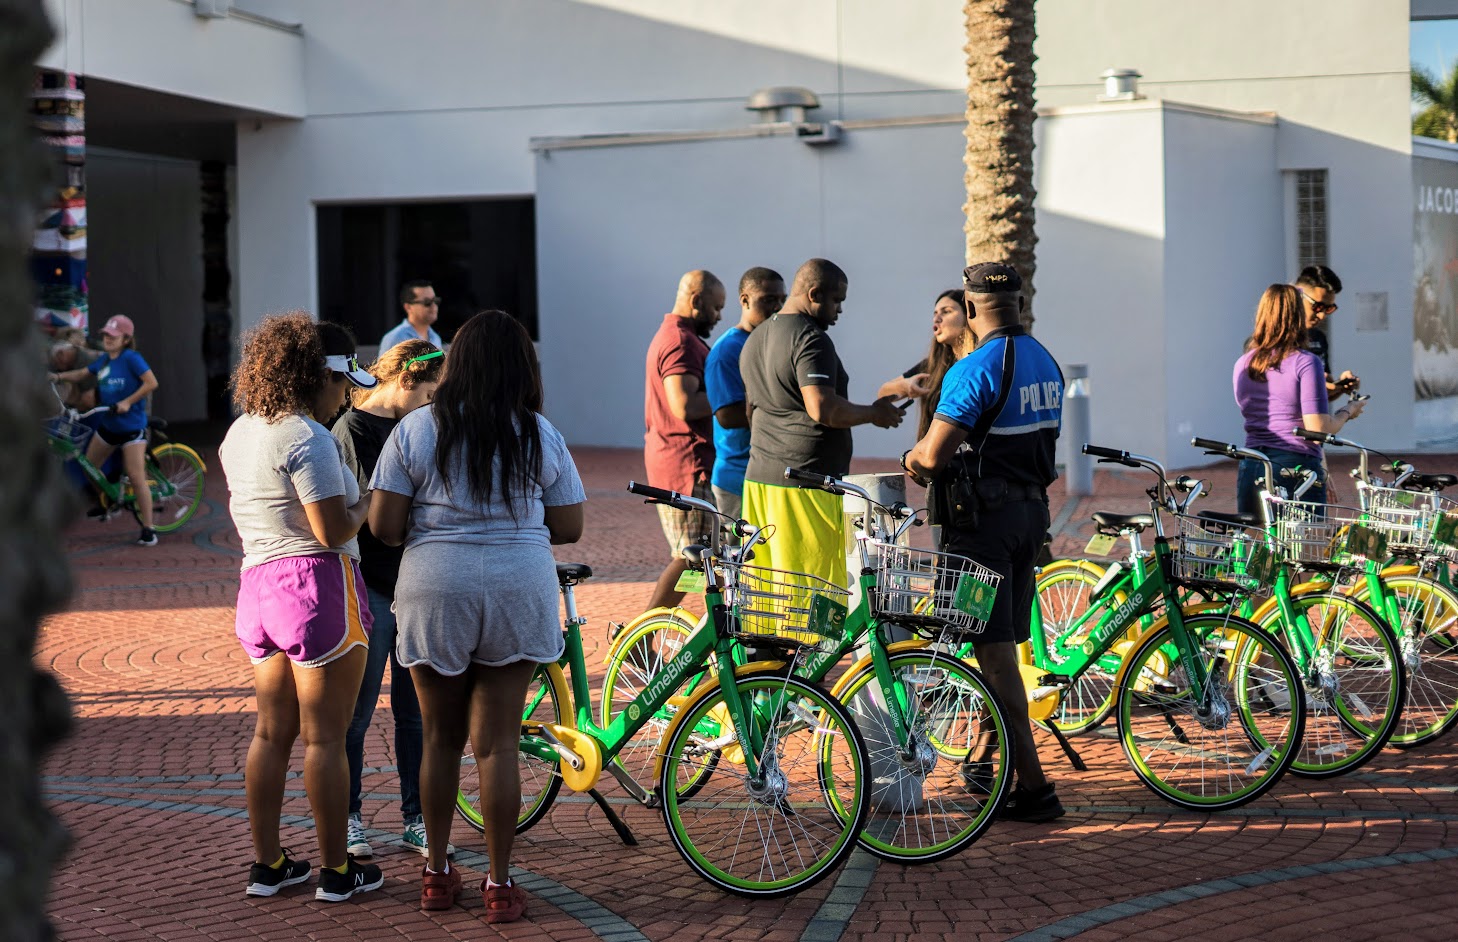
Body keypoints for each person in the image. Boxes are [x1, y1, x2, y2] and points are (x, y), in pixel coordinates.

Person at [368, 310, 585, 923]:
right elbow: (568, 525)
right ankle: (499, 882)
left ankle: (436, 874)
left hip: (435, 585)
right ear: (524, 368)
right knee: (499, 747)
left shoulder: (415, 429)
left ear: (456, 362)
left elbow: (383, 527)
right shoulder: (538, 432)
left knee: (439, 738)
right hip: (519, 585)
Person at [218, 313, 384, 902]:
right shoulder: (306, 435)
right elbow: (332, 527)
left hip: (257, 586)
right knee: (325, 739)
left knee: (270, 732)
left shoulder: (239, 431)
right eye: (344, 383)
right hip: (315, 585)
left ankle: (269, 864)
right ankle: (338, 872)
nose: (346, 396)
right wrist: (371, 497)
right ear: (321, 375)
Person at [903, 262, 1066, 823]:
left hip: (983, 533)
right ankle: (987, 761)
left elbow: (931, 457)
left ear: (970, 309)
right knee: (997, 651)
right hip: (1030, 518)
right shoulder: (1047, 361)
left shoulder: (974, 369)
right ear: (1020, 303)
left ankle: (1035, 789)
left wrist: (911, 457)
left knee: (992, 659)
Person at [330, 339, 447, 862]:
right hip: (372, 584)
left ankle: (415, 818)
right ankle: (351, 817)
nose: (432, 406)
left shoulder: (416, 424)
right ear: (403, 380)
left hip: (414, 584)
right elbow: (375, 516)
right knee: (355, 711)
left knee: (415, 712)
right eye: (428, 394)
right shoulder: (355, 429)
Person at [739, 258, 904, 588]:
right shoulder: (809, 338)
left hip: (760, 480)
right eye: (836, 300)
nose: (839, 310)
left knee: (771, 596)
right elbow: (823, 408)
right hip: (806, 484)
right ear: (814, 293)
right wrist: (875, 413)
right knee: (816, 594)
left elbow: (750, 412)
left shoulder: (757, 336)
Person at [1234, 284, 1365, 514]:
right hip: (1295, 467)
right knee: (1302, 548)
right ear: (1297, 316)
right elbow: (1318, 430)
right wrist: (1348, 411)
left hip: (1252, 463)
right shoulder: (1305, 362)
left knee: (1258, 545)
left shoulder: (1244, 363)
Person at [642, 270, 724, 611]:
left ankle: (725, 640)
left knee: (709, 561)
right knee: (692, 555)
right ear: (695, 301)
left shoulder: (678, 336)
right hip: (687, 465)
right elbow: (685, 405)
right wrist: (733, 397)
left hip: (681, 462)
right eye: (716, 308)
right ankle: (637, 637)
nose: (719, 316)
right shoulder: (680, 341)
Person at [48, 315, 161, 545]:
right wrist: (58, 376)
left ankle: (149, 528)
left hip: (131, 427)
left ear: (126, 339)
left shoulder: (132, 359)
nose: (107, 339)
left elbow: (151, 383)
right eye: (106, 335)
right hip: (109, 425)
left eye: (113, 335)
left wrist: (128, 402)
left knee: (137, 476)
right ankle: (108, 502)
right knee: (89, 465)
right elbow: (82, 374)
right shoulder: (105, 360)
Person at [704, 267, 786, 521]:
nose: (777, 308)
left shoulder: (774, 342)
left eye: (782, 300)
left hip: (767, 473)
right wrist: (785, 414)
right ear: (745, 300)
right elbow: (726, 415)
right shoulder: (726, 350)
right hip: (737, 477)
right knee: (742, 559)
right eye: (769, 300)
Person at [1294, 265, 1360, 398]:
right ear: (1297, 295)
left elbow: (1324, 395)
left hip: (1317, 418)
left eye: (1328, 309)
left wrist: (1341, 386)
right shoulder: (1274, 340)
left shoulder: (1318, 337)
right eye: (1317, 306)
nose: (1322, 315)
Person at [380, 280, 445, 353]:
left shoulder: (435, 337)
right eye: (427, 302)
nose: (434, 306)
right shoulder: (395, 338)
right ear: (408, 307)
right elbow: (384, 364)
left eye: (435, 300)